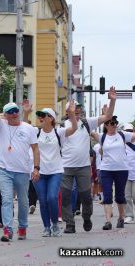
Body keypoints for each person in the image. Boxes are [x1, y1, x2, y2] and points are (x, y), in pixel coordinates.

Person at [0, 78, 40, 242]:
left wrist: (36, 168)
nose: (14, 113)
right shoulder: (1, 126)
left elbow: (35, 149)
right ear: (5, 115)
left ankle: (22, 227)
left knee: (24, 203)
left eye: (15, 110)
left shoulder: (28, 128)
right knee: (7, 200)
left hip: (23, 172)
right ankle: (8, 229)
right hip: (5, 170)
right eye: (10, 111)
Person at [60, 87, 116, 234]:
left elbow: (108, 116)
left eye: (78, 107)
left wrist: (112, 100)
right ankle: (69, 224)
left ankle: (86, 217)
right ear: (67, 111)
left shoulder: (87, 123)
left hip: (83, 167)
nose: (76, 110)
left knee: (85, 195)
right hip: (65, 167)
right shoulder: (61, 126)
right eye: (73, 108)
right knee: (65, 196)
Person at [23, 101, 78, 237]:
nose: (40, 117)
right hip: (38, 171)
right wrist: (25, 112)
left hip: (55, 171)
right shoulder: (35, 132)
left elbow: (74, 128)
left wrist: (71, 113)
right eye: (39, 115)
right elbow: (23, 128)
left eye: (44, 115)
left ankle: (54, 224)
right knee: (42, 201)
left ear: (51, 118)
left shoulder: (59, 132)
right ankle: (46, 227)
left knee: (52, 198)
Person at [91, 116, 135, 230]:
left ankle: (121, 218)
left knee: (120, 196)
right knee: (107, 195)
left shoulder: (122, 135)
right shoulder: (102, 137)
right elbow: (88, 129)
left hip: (121, 170)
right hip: (106, 170)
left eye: (115, 122)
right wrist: (102, 116)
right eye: (111, 122)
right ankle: (108, 221)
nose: (114, 124)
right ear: (105, 125)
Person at [122, 123, 135, 224]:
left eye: (130, 131)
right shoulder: (121, 144)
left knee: (134, 196)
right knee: (127, 196)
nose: (129, 133)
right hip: (125, 173)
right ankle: (129, 215)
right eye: (126, 131)